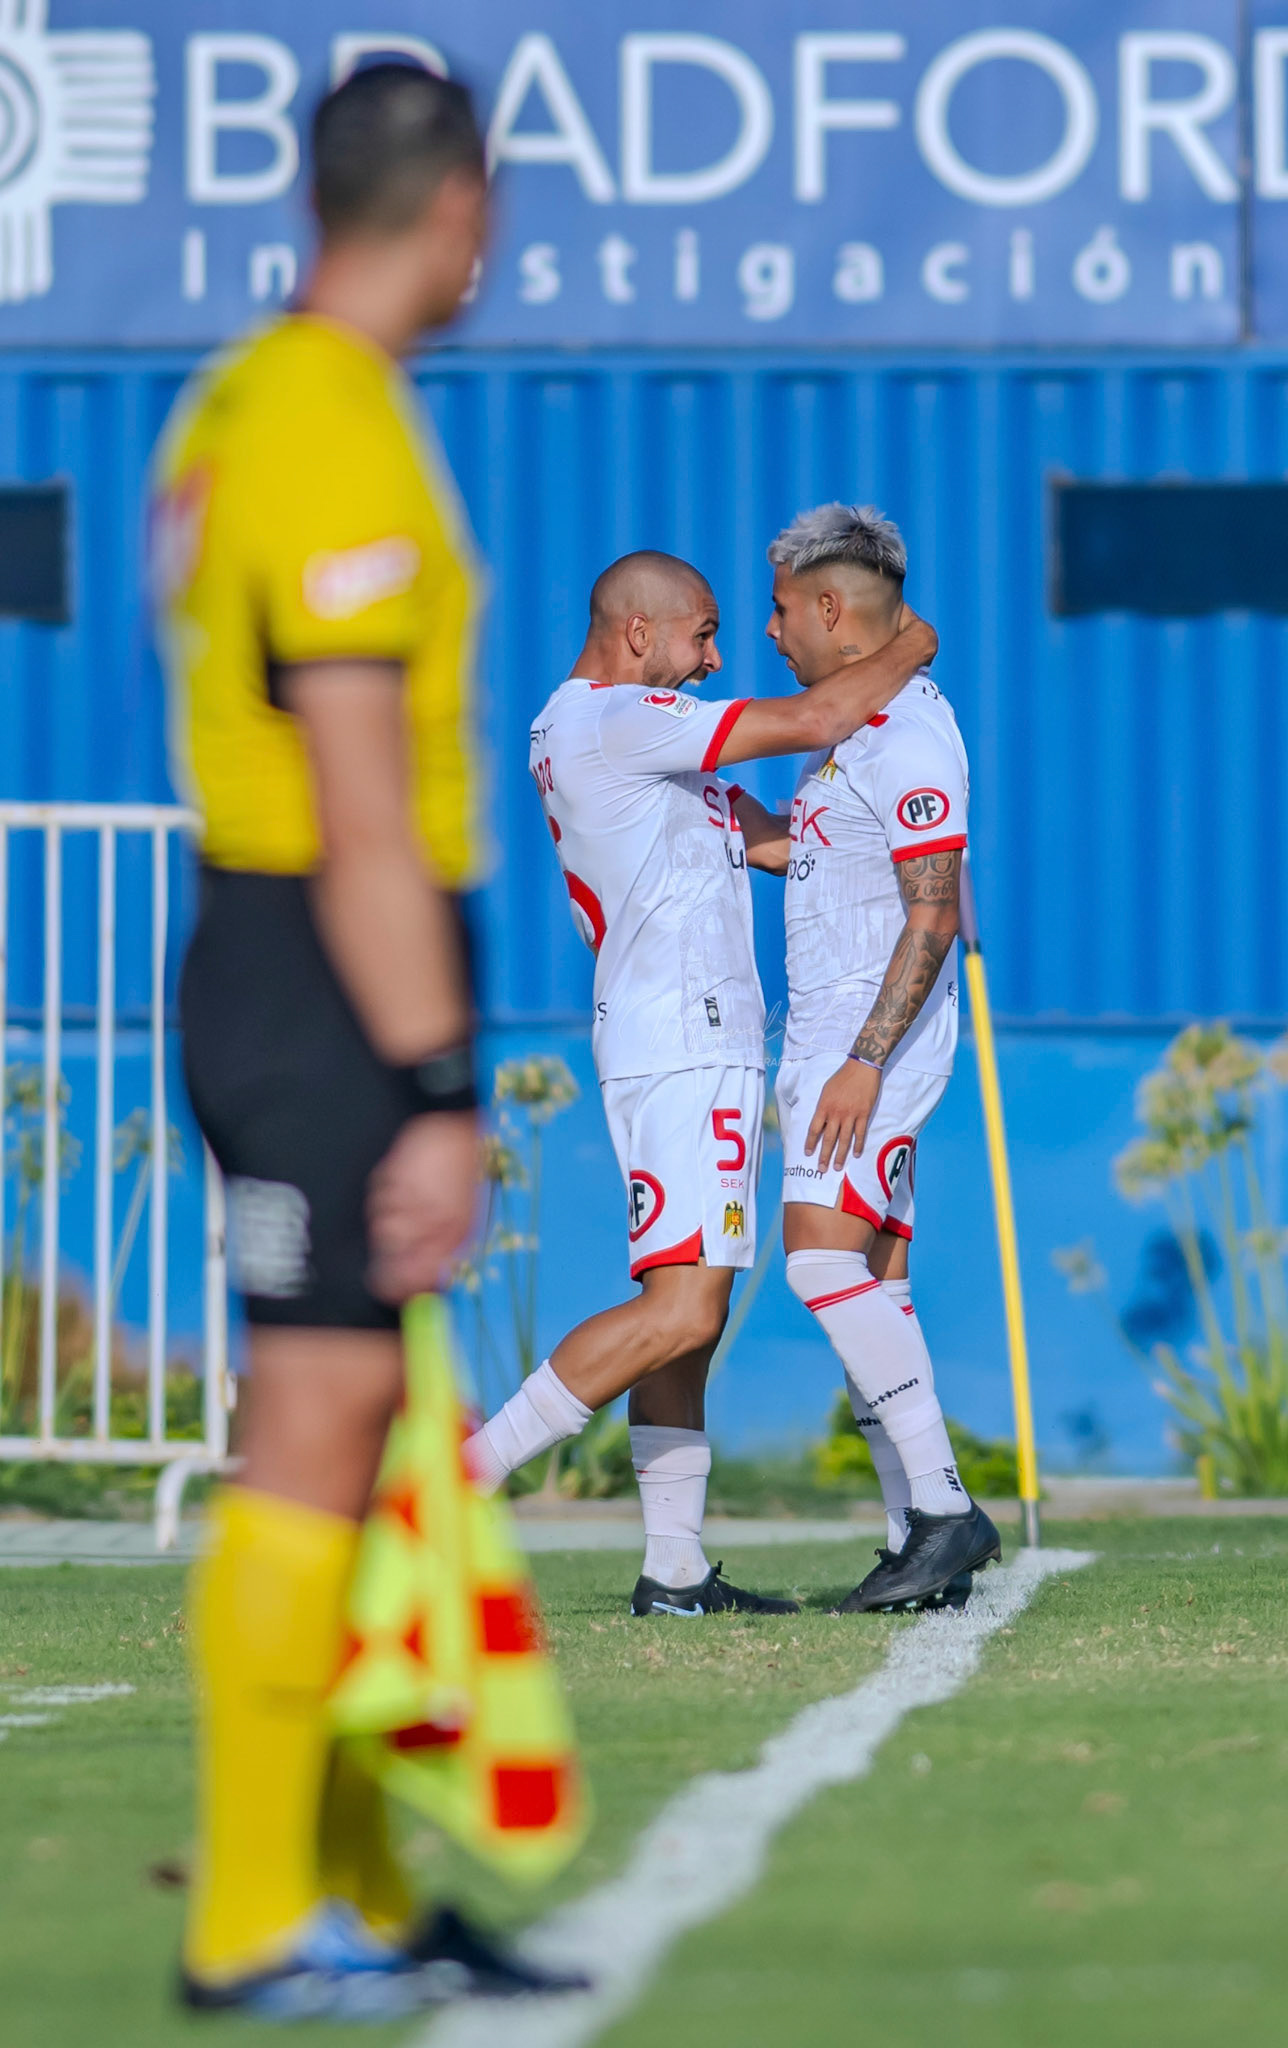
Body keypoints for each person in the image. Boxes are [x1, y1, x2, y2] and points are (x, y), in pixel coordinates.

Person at [154, 65, 562, 2018]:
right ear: (457, 207)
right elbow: (362, 799)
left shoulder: (253, 399)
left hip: (290, 956)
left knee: (358, 1431)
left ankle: (366, 1897)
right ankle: (250, 1927)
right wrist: (436, 1088)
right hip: (319, 967)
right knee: (316, 1429)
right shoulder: (321, 422)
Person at [465, 551, 937, 1617]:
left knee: (690, 1309)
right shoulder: (616, 719)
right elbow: (817, 717)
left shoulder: (635, 742)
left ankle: (674, 1568)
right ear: (639, 633)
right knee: (680, 1311)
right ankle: (451, 1489)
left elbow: (778, 843)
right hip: (683, 1040)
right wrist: (912, 645)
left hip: (675, 1039)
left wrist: (923, 867)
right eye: (704, 634)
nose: (717, 658)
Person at [759, 504, 1001, 1613]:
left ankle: (946, 1510)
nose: (770, 633)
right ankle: (914, 1539)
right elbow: (825, 861)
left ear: (829, 608)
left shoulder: (909, 733)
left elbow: (933, 913)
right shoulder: (851, 730)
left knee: (818, 1264)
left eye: (779, 611)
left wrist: (863, 1060)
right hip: (835, 1040)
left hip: (868, 1049)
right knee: (876, 1284)